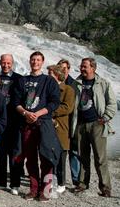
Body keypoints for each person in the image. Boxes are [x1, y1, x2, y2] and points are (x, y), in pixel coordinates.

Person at [14, 51, 61, 202]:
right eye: (33, 59)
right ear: (30, 61)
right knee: (31, 158)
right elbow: (16, 102)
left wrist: (38, 113)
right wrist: (26, 113)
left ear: (42, 62)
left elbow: (54, 102)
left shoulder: (49, 81)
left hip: (44, 124)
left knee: (46, 157)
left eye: (38, 60)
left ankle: (46, 191)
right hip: (27, 124)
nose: (35, 62)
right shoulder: (22, 80)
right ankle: (34, 189)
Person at [72, 58, 117, 198]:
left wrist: (104, 118)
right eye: (81, 66)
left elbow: (112, 103)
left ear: (93, 68)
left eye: (85, 66)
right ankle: (82, 184)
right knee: (82, 156)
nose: (82, 69)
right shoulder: (76, 83)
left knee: (100, 157)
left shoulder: (103, 83)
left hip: (97, 124)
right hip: (81, 124)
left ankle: (105, 188)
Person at [0, 54, 23, 195]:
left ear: (12, 63)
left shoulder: (19, 78)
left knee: (15, 153)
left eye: (8, 63)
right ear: (0, 63)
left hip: (14, 121)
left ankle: (15, 183)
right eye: (3, 62)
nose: (6, 65)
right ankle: (0, 181)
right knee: (0, 152)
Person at [47, 64, 75, 194]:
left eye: (50, 74)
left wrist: (49, 111)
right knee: (49, 155)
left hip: (61, 127)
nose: (48, 76)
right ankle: (51, 180)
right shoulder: (48, 89)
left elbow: (67, 107)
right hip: (48, 126)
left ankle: (62, 183)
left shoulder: (68, 90)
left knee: (61, 157)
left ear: (57, 75)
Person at [57, 58, 80, 186]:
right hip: (62, 123)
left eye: (65, 68)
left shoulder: (74, 84)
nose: (63, 71)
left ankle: (76, 179)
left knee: (74, 151)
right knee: (61, 151)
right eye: (61, 68)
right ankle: (60, 179)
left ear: (69, 69)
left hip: (74, 121)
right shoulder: (56, 83)